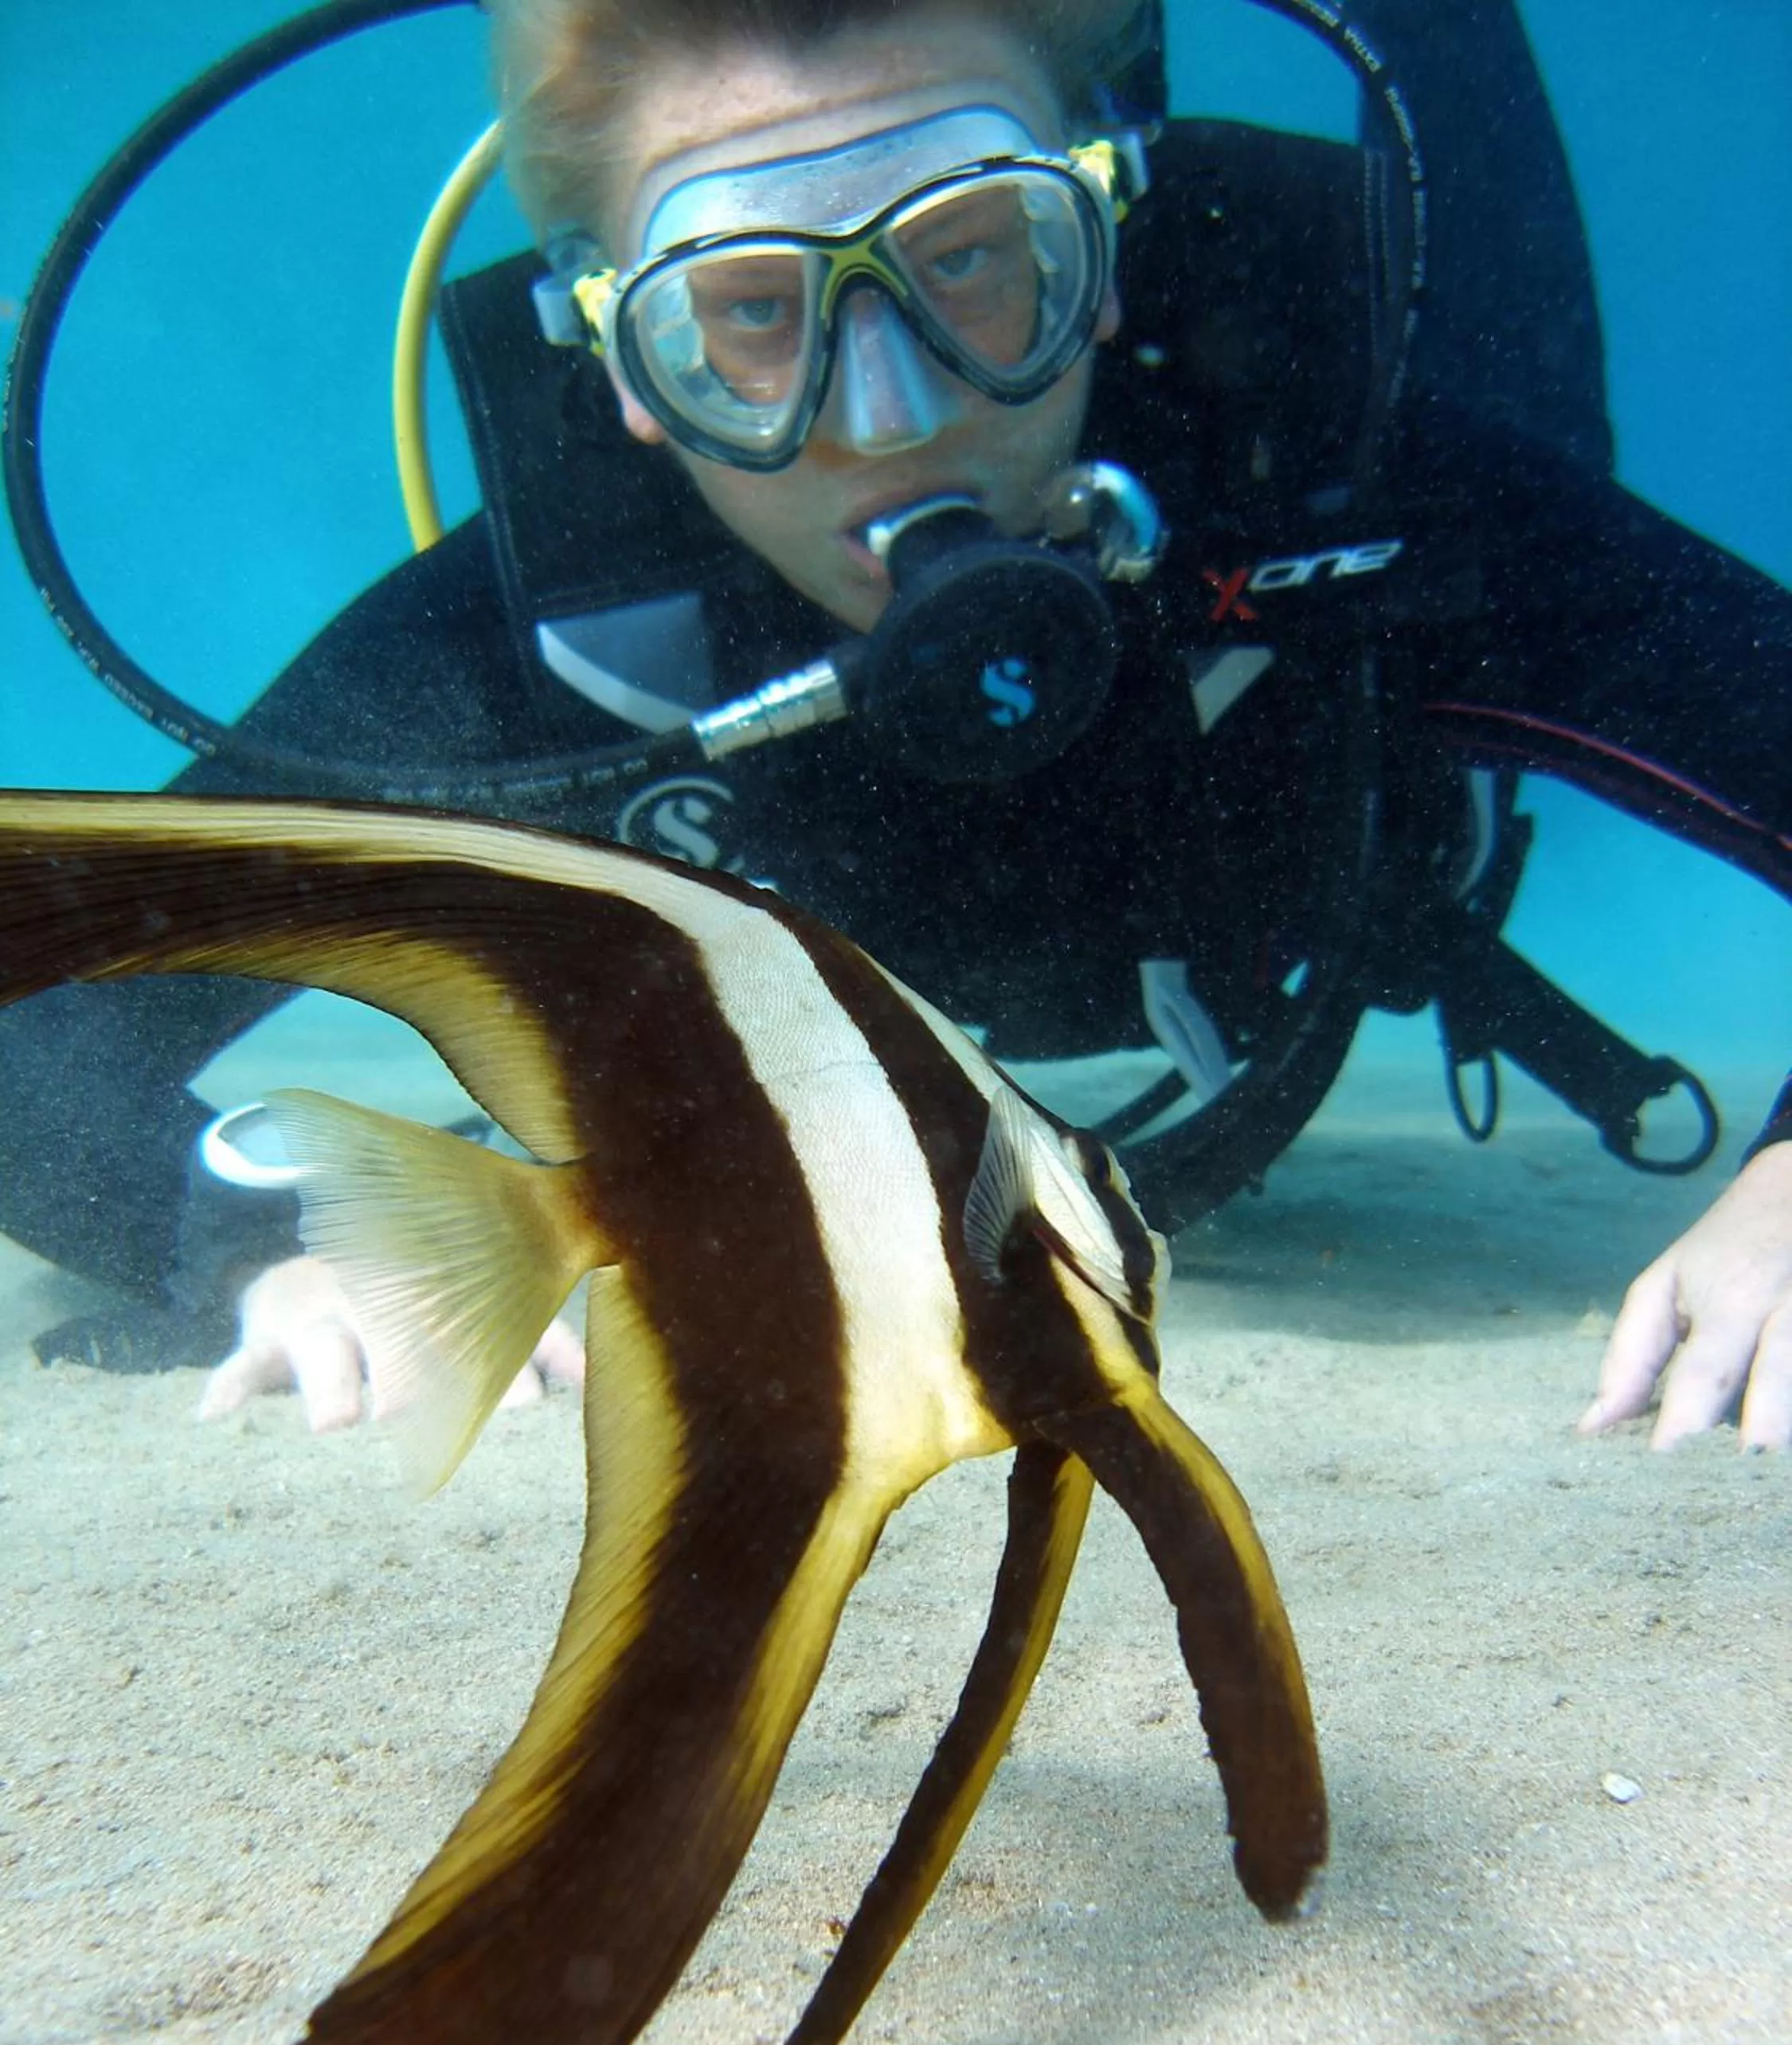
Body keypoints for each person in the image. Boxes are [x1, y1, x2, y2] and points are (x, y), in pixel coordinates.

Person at [1, 0, 1787, 1448]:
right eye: (752, 317)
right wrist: (261, 1241)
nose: (893, 414)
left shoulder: (1355, 499)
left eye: (976, 257)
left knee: (1519, 386)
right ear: (625, 368)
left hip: (1378, 800)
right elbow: (30, 1030)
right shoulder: (543, 644)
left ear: (1105, 240)